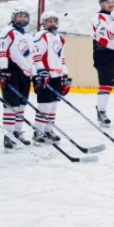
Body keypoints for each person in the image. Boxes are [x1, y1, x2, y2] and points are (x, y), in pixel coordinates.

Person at [0, 7, 38, 148]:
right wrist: (4, 69)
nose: (23, 18)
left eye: (25, 16)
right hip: (11, 71)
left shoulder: (28, 35)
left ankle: (17, 133)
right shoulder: (7, 31)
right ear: (13, 18)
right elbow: (0, 51)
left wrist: (35, 75)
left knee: (21, 105)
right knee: (11, 105)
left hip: (25, 74)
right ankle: (8, 136)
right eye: (20, 16)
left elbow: (31, 57)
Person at [32, 10, 71, 143]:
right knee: (45, 105)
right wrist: (41, 72)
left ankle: (48, 130)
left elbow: (61, 57)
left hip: (56, 76)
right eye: (49, 21)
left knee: (53, 105)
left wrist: (64, 73)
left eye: (54, 21)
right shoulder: (41, 36)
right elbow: (36, 56)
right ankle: (38, 132)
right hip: (45, 76)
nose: (52, 23)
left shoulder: (60, 38)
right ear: (44, 23)